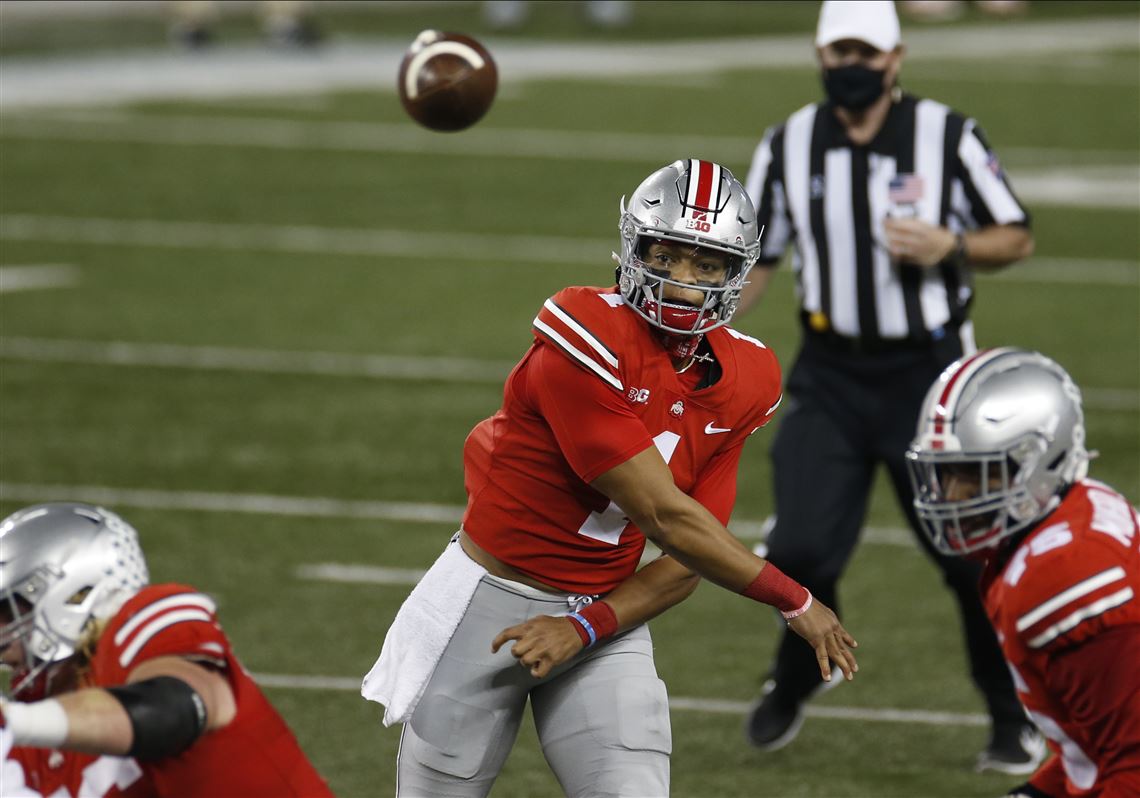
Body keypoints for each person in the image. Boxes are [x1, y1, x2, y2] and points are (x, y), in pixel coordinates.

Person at [361, 158, 859, 798]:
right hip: (485, 610)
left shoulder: (749, 377)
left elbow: (687, 558)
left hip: (605, 616)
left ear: (736, 274)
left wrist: (586, 625)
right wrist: (797, 601)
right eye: (669, 255)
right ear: (634, 248)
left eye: (706, 264)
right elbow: (666, 517)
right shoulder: (584, 330)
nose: (683, 281)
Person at [740, 0, 1041, 772]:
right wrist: (693, 333)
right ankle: (802, 669)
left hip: (930, 380)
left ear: (896, 58)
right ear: (818, 54)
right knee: (800, 543)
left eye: (865, 53)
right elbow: (759, 259)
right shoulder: (788, 143)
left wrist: (952, 245)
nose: (852, 65)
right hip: (830, 373)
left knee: (967, 558)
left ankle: (1011, 714)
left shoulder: (948, 134)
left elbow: (1016, 234)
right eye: (838, 50)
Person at [906, 348, 1140, 797]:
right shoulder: (1073, 510)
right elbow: (1092, 749)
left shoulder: (1065, 577)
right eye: (948, 473)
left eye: (976, 476)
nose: (953, 496)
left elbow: (1132, 767)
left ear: (1040, 464)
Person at [0, 502, 333, 798]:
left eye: (8, 613)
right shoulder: (37, 749)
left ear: (74, 596)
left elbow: (177, 705)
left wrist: (16, 721)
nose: (4, 642)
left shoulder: (141, 625)